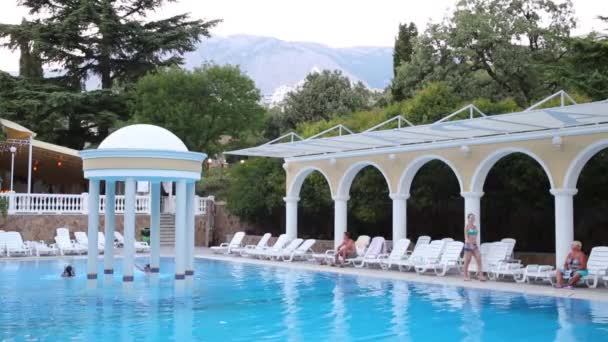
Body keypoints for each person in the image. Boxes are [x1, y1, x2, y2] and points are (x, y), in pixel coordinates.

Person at [463, 213, 486, 281]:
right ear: (468, 219)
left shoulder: (475, 227)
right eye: (471, 218)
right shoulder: (466, 227)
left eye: (473, 218)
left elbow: (475, 237)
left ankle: (480, 275)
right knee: (467, 261)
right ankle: (465, 276)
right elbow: (466, 237)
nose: (472, 219)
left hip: (474, 245)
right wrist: (470, 244)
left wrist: (474, 244)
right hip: (468, 245)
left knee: (479, 258)